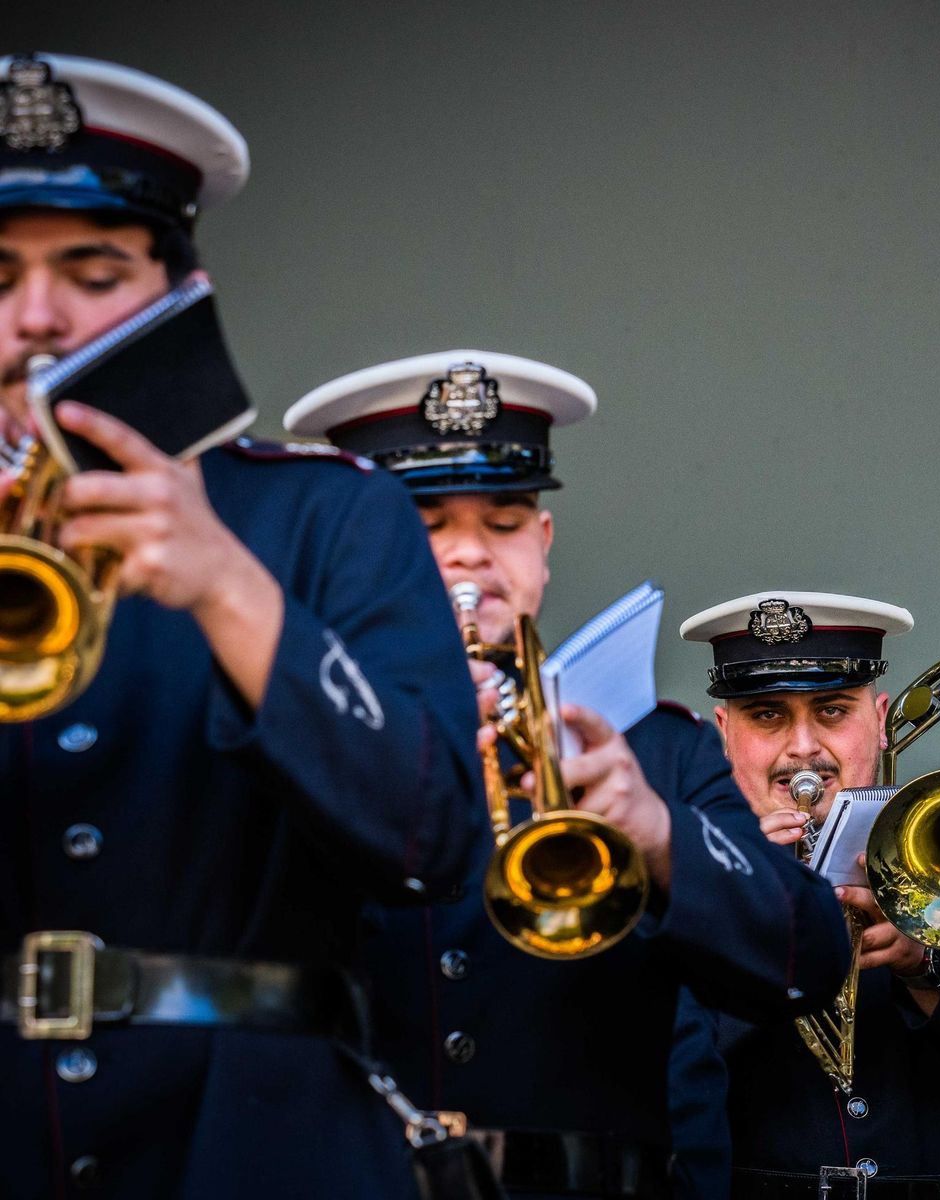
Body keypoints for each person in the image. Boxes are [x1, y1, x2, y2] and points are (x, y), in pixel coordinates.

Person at [0, 53, 482, 1197]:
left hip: (258, 1135)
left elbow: (434, 836)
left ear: (177, 291)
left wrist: (232, 591)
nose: (35, 317)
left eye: (92, 269)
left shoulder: (327, 510)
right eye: (1, 274)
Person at [285, 352, 852, 1200]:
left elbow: (806, 961)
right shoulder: (274, 728)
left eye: (505, 521)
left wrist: (659, 837)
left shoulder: (657, 750)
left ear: (542, 547)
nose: (470, 557)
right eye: (426, 521)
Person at [679, 593, 940, 1199]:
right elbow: (648, 1095)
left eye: (833, 711)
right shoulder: (683, 881)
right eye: (767, 715)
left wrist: (928, 961)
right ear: (724, 732)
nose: (803, 747)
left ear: (881, 718)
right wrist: (743, 907)